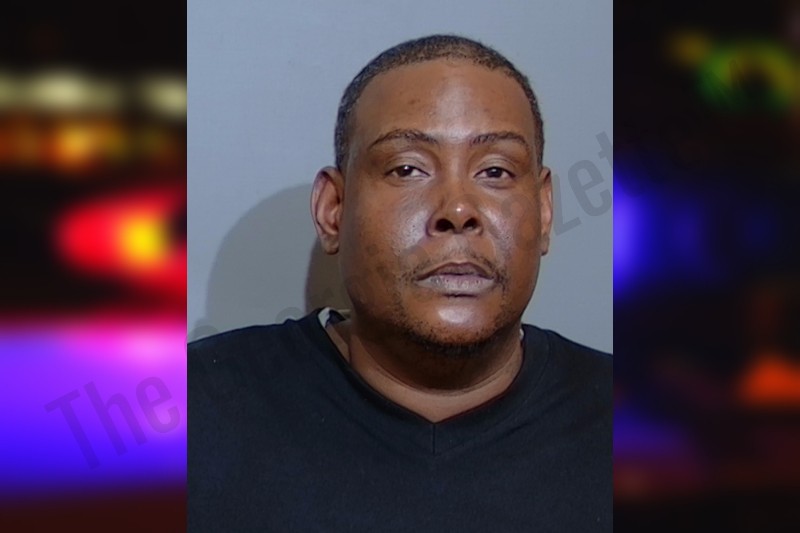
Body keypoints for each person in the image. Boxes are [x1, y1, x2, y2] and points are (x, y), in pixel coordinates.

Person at [188, 34, 611, 532]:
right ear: (333, 210)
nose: (458, 209)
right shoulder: (194, 416)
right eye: (407, 169)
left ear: (543, 212)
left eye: (495, 171)